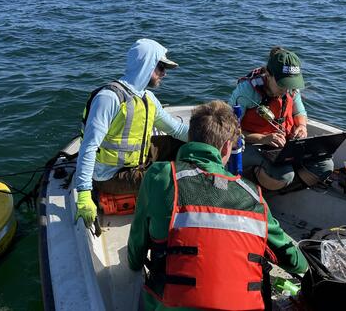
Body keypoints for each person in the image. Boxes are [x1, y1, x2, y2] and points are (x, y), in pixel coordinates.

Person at [128, 100, 308, 311]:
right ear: (226, 147)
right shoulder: (253, 195)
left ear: (190, 138)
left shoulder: (161, 176)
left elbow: (136, 253)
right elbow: (294, 261)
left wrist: (135, 262)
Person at [75, 38, 188, 227]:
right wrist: (84, 193)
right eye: (161, 68)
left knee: (184, 145)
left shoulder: (148, 98)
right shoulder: (109, 98)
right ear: (147, 64)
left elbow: (177, 129)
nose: (164, 74)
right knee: (173, 179)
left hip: (137, 162)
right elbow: (88, 147)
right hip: (111, 176)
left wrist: (213, 141)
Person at [229, 46, 333, 190]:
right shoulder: (246, 91)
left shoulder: (291, 89)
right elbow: (229, 131)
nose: (286, 89)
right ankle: (251, 183)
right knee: (284, 175)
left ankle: (280, 186)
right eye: (282, 84)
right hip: (252, 144)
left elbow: (299, 113)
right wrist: (262, 138)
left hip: (281, 146)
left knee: (325, 166)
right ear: (268, 74)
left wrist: (302, 127)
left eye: (291, 84)